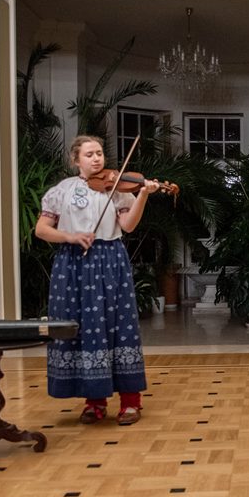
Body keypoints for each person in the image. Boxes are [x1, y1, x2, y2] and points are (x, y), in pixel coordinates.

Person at [35, 135, 161, 425]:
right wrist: (70, 236)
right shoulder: (63, 190)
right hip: (72, 263)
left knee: (118, 324)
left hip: (108, 259)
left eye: (100, 153)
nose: (96, 158)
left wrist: (143, 194)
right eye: (89, 154)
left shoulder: (117, 188)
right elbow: (42, 229)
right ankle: (94, 401)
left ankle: (131, 402)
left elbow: (128, 225)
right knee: (83, 326)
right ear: (75, 159)